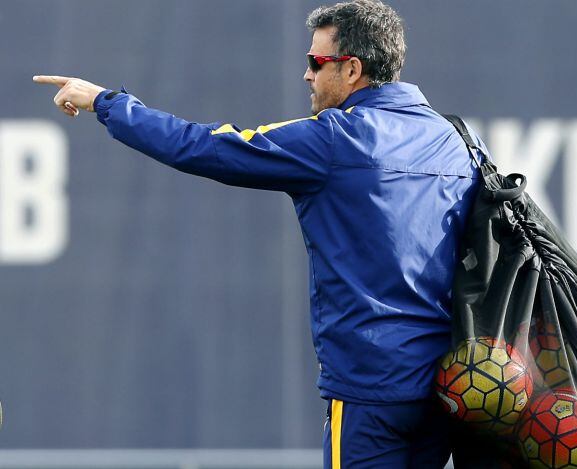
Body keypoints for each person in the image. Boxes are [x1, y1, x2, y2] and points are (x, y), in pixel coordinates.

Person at [34, 1, 495, 467]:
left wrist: (104, 102)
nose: (306, 75)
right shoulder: (458, 140)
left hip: (369, 387)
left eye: (315, 62)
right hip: (450, 385)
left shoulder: (334, 138)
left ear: (352, 68)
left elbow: (201, 146)